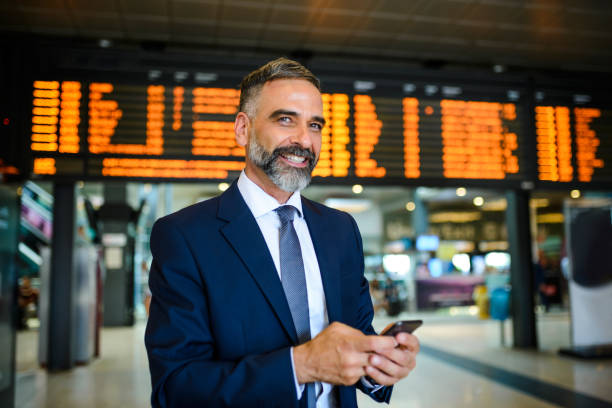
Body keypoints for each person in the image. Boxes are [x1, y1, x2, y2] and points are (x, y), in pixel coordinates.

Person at [145, 57, 419, 408]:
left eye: (316, 125)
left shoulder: (339, 231)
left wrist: (379, 363)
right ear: (243, 129)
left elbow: (356, 336)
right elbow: (176, 388)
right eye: (286, 119)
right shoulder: (185, 237)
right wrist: (299, 366)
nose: (304, 140)